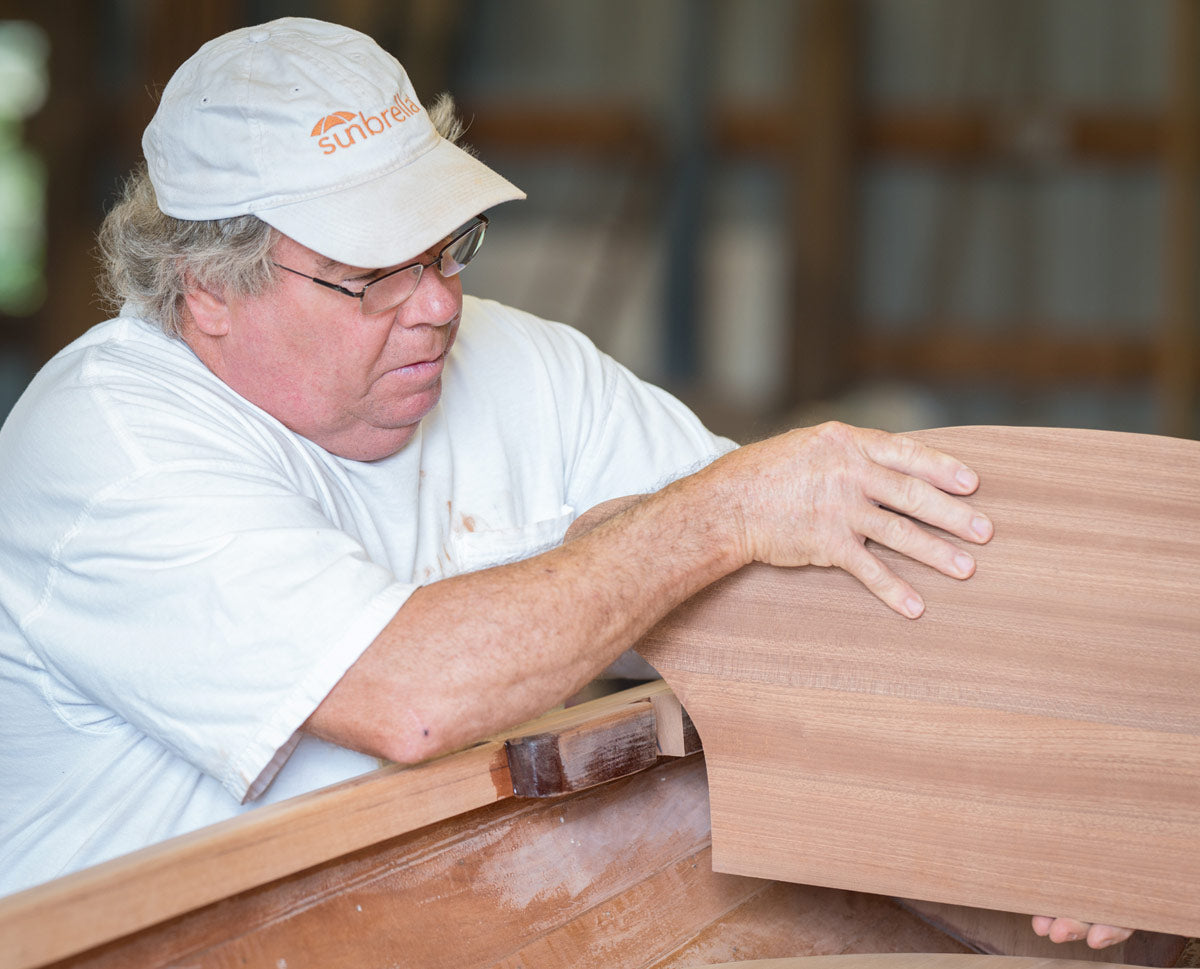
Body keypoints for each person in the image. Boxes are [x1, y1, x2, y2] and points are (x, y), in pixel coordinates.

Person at [0, 17, 1130, 949]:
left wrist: (1053, 806)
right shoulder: (109, 443)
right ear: (208, 293)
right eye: (373, 276)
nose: (438, 304)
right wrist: (722, 511)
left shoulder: (519, 365)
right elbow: (414, 696)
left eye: (447, 248)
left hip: (451, 912)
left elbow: (800, 607)